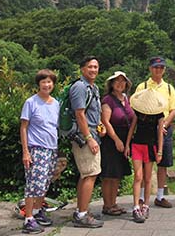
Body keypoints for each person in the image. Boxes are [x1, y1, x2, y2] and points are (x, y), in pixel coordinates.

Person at [133, 56, 175, 208]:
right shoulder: (143, 86)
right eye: (155, 67)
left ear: (164, 69)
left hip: (164, 128)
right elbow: (136, 107)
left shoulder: (169, 88)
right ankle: (140, 197)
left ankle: (160, 196)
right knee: (144, 165)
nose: (158, 70)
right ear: (150, 68)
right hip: (146, 129)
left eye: (161, 67)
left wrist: (164, 125)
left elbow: (174, 110)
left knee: (163, 163)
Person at [20, 69, 60, 234]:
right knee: (33, 184)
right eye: (44, 82)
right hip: (36, 148)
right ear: (38, 84)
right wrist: (25, 152)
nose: (47, 85)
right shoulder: (31, 102)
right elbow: (23, 128)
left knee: (44, 183)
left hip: (52, 149)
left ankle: (38, 211)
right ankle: (28, 218)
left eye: (49, 81)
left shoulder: (56, 103)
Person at [71, 57, 106, 228]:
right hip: (85, 137)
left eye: (96, 67)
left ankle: (81, 210)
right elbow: (80, 114)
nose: (93, 70)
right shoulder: (79, 87)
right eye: (90, 67)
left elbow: (93, 112)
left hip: (93, 133)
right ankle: (82, 215)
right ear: (82, 69)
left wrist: (100, 126)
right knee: (90, 174)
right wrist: (89, 138)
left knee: (86, 174)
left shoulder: (93, 87)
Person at [125, 88, 167, 223]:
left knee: (148, 178)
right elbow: (132, 128)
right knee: (138, 176)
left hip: (151, 146)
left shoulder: (159, 115)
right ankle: (136, 206)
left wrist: (160, 151)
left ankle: (146, 205)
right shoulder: (138, 112)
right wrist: (127, 145)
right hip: (137, 145)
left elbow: (160, 133)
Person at [100, 71, 135, 216]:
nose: (120, 84)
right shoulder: (108, 100)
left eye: (123, 81)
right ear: (112, 84)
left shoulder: (126, 98)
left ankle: (113, 203)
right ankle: (107, 205)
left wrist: (126, 142)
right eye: (117, 81)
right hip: (111, 139)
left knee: (118, 174)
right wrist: (116, 140)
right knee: (109, 174)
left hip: (125, 137)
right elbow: (105, 121)